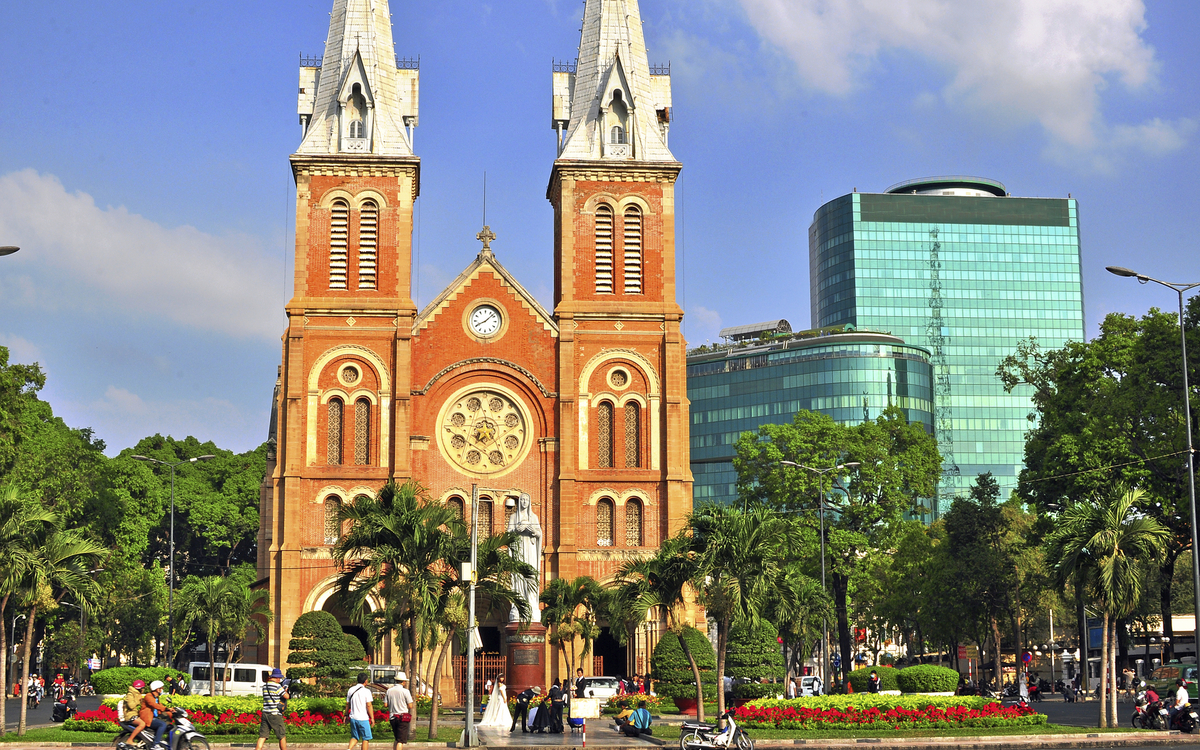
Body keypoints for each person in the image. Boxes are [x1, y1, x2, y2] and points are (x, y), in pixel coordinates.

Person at [255, 668, 290, 750]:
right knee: (281, 735)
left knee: (263, 736)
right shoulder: (277, 686)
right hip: (275, 713)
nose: (280, 680)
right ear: (277, 678)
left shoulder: (265, 686)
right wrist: (285, 691)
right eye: (280, 678)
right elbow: (286, 696)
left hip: (265, 712)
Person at [346, 672, 376, 750]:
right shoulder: (366, 691)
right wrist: (372, 718)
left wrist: (346, 715)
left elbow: (347, 704)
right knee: (365, 738)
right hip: (363, 718)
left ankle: (349, 749)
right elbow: (369, 705)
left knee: (355, 737)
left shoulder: (351, 690)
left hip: (353, 717)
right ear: (366, 681)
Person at [386, 672, 414, 750]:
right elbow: (410, 706)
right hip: (402, 718)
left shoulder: (389, 691)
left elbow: (385, 704)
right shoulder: (405, 691)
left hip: (392, 717)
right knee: (401, 741)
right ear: (403, 681)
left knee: (397, 739)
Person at [142, 680, 172, 749]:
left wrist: (171, 710)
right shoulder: (148, 696)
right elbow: (155, 705)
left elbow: (160, 705)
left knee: (169, 724)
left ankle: (162, 740)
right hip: (148, 718)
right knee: (162, 724)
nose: (162, 690)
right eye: (161, 688)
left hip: (154, 717)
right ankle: (156, 744)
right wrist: (166, 708)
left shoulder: (156, 697)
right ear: (157, 689)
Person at [117, 679, 147, 750]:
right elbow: (131, 706)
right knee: (142, 724)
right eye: (143, 688)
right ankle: (130, 740)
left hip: (135, 714)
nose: (143, 690)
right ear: (139, 688)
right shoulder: (130, 694)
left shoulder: (136, 694)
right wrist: (138, 700)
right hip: (130, 715)